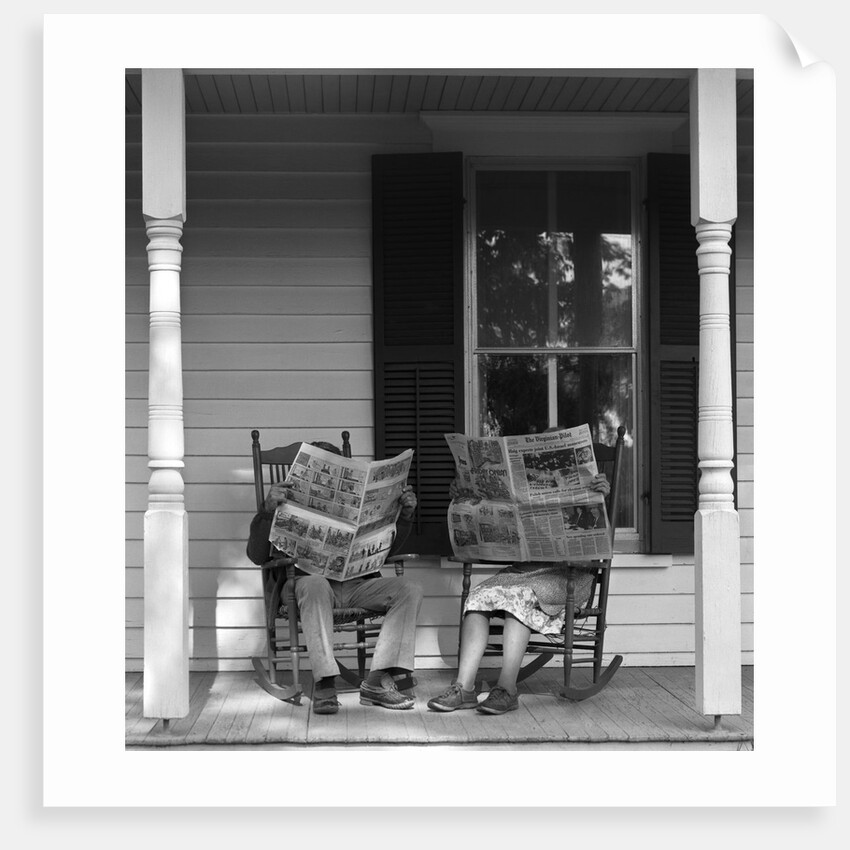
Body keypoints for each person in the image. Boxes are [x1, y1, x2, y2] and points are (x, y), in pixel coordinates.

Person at [247, 441, 423, 716]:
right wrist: (268, 510)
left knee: (409, 589)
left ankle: (376, 681)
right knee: (316, 583)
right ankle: (325, 682)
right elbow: (257, 555)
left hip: (356, 584)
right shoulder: (279, 502)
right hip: (307, 585)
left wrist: (405, 517)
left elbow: (384, 551)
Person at [427, 470, 610, 716]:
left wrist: (601, 499)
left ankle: (507, 689)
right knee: (478, 597)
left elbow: (598, 538)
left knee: (518, 598)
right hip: (523, 569)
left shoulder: (590, 482)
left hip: (568, 574)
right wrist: (463, 498)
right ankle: (464, 687)